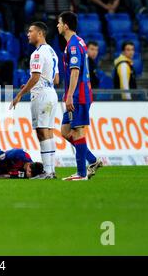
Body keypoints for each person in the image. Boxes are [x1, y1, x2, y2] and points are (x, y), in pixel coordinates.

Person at [57, 11, 102, 181]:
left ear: (66, 25)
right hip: (78, 93)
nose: (58, 26)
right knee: (65, 131)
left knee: (77, 131)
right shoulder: (77, 42)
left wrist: (69, 96)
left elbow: (75, 71)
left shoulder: (74, 45)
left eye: (59, 23)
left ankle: (81, 173)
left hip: (79, 94)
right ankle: (92, 160)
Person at [10, 22, 59, 179]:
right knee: (48, 132)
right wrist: (36, 82)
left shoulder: (37, 54)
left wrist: (19, 94)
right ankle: (51, 170)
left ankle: (48, 171)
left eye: (31, 31)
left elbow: (36, 76)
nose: (28, 34)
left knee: (42, 132)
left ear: (40, 34)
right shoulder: (52, 52)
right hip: (51, 92)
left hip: (41, 96)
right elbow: (56, 79)